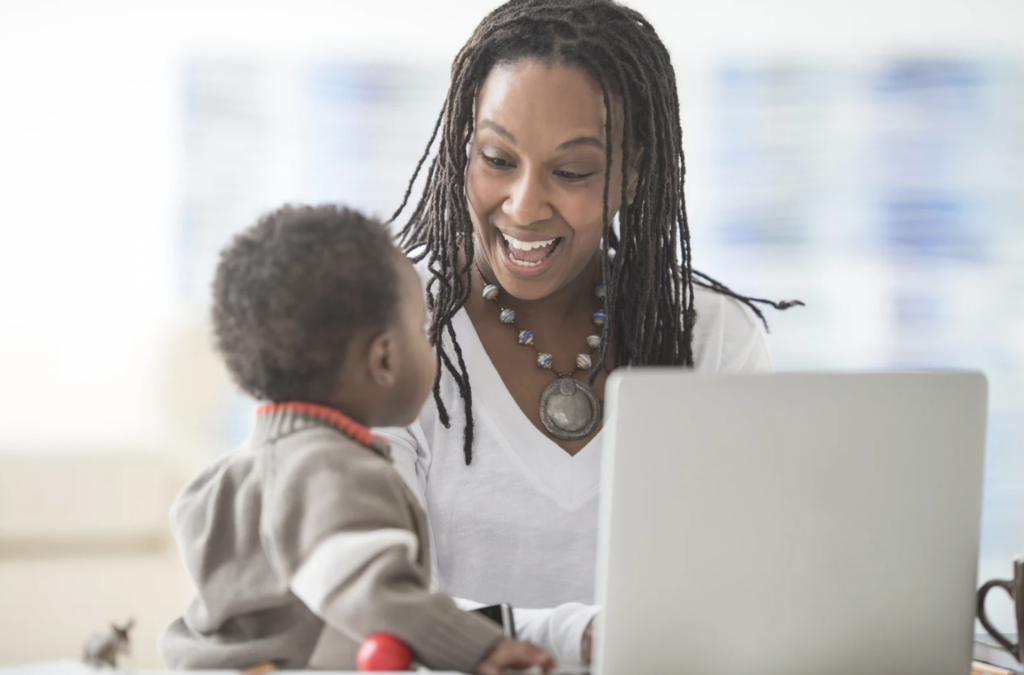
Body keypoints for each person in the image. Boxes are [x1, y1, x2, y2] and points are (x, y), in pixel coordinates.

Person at [377, 0, 803, 665]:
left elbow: (758, 597)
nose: (523, 205)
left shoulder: (714, 340)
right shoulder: (388, 334)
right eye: (496, 158)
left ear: (632, 171)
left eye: (571, 171)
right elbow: (371, 605)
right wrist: (572, 636)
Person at [158, 205, 555, 675]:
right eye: (422, 331)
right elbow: (370, 591)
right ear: (384, 358)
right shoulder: (333, 472)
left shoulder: (223, 477)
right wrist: (481, 648)